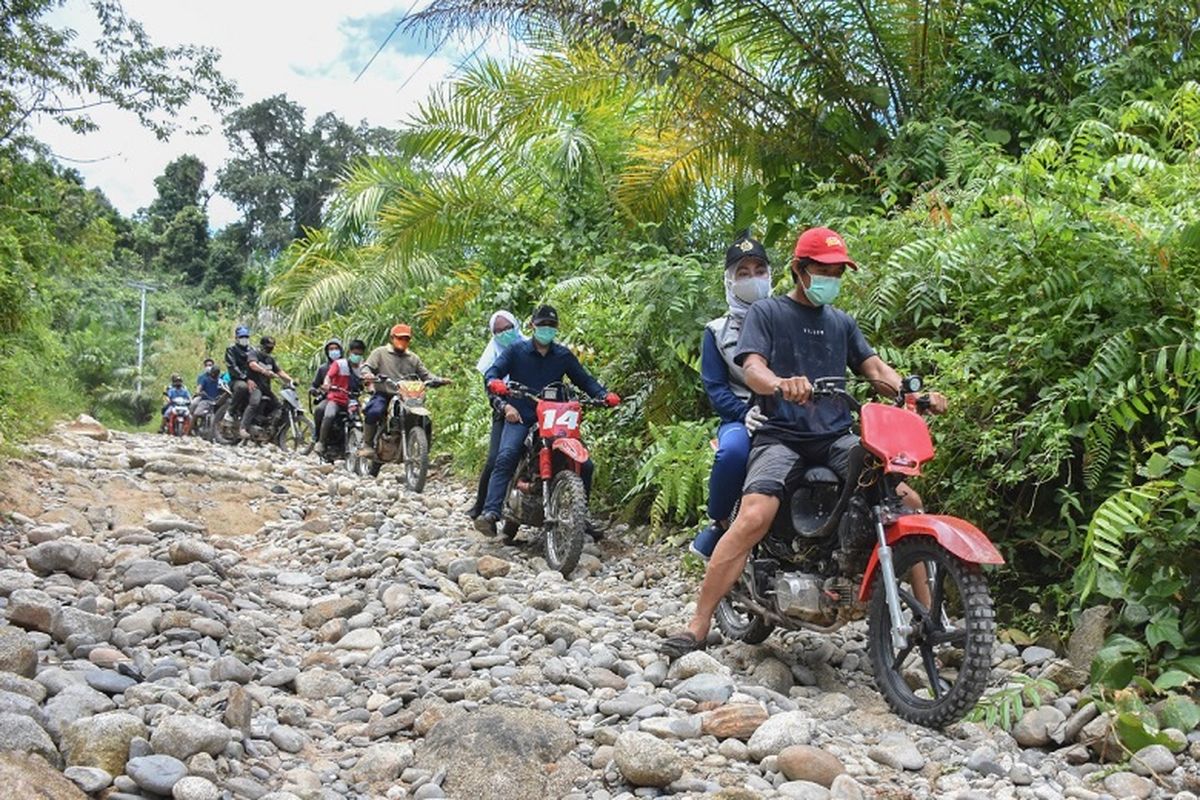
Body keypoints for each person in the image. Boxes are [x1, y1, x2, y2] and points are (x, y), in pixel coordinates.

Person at [659, 227, 947, 659]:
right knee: (755, 514)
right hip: (781, 435)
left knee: (906, 500)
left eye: (838, 271)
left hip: (835, 435)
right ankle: (698, 623)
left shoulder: (841, 322)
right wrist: (779, 383)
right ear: (799, 270)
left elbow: (874, 368)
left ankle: (930, 622)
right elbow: (752, 367)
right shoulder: (768, 314)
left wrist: (912, 392)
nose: (832, 277)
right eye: (823, 270)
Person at [474, 304, 620, 536]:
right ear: (533, 326)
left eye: (551, 326)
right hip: (522, 414)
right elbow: (494, 372)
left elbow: (585, 381)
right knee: (507, 455)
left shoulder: (563, 356)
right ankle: (491, 512)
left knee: (585, 464)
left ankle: (581, 516)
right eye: (542, 325)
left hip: (556, 417)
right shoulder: (515, 351)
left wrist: (603, 395)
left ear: (557, 328)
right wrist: (496, 384)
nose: (547, 329)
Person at [691, 234, 773, 559]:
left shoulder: (789, 318)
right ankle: (720, 523)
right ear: (729, 280)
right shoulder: (716, 332)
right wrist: (744, 414)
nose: (752, 279)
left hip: (791, 414)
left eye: (759, 270)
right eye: (743, 273)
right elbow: (715, 388)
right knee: (733, 453)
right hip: (742, 417)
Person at [469, 310, 526, 519]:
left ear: (516, 325)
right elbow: (491, 392)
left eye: (508, 328)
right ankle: (483, 507)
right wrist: (504, 407)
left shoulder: (532, 349)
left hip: (537, 407)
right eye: (499, 331)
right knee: (496, 459)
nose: (505, 333)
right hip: (506, 412)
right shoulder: (492, 359)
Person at [359, 324, 438, 455]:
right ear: (392, 338)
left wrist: (438, 380)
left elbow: (426, 375)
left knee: (426, 421)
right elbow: (367, 367)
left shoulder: (413, 358)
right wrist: (368, 374)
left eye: (406, 339)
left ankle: (423, 455)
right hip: (385, 393)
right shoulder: (380, 353)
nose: (403, 342)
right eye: (400, 338)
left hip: (408, 396)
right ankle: (367, 444)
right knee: (374, 411)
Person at [314, 339, 367, 455]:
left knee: (364, 416)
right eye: (355, 353)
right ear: (349, 352)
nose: (357, 356)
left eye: (359, 354)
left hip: (352, 400)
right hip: (336, 398)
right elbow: (328, 376)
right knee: (329, 415)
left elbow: (368, 381)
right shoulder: (339, 364)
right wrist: (327, 384)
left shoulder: (364, 367)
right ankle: (321, 442)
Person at [240, 335, 295, 440]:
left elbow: (279, 372)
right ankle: (243, 427)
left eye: (271, 347)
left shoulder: (270, 359)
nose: (269, 348)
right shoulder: (254, 353)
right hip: (255, 386)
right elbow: (252, 364)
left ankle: (270, 431)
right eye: (267, 346)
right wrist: (264, 371)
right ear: (262, 346)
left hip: (266, 388)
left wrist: (291, 380)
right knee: (255, 402)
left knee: (278, 406)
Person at [310, 338, 344, 439]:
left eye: (336, 348)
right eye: (331, 349)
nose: (334, 351)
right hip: (329, 398)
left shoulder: (347, 365)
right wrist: (314, 390)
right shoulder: (323, 368)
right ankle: (318, 434)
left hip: (346, 396)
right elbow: (314, 384)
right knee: (319, 410)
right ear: (327, 352)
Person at [224, 326, 255, 425]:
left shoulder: (252, 350)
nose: (244, 339)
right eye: (242, 337)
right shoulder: (231, 349)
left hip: (252, 379)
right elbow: (232, 367)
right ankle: (230, 412)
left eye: (246, 337)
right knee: (242, 387)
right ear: (237, 338)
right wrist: (245, 378)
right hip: (237, 379)